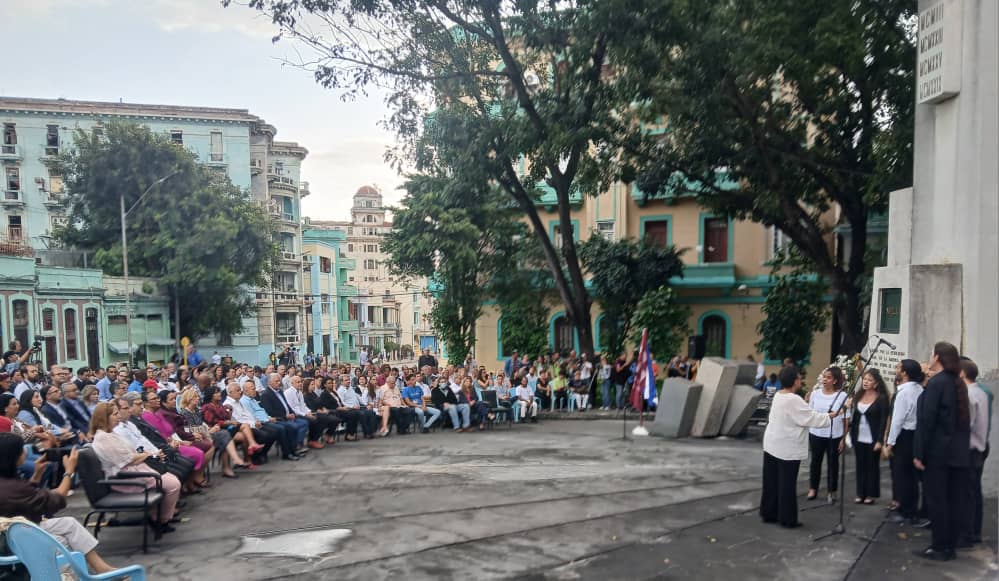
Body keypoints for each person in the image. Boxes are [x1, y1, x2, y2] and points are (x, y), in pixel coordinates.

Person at [0, 435, 121, 574]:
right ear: (11, 456)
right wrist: (69, 471)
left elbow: (27, 494)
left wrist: (37, 475)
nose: (25, 452)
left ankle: (101, 568)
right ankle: (69, 577)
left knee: (68, 523)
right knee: (61, 541)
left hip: (12, 532)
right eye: (21, 450)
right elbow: (57, 498)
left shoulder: (7, 483)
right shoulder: (15, 488)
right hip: (16, 538)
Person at [912, 341, 971, 561]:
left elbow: (928, 421)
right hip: (957, 453)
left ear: (937, 357)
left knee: (937, 501)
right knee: (953, 501)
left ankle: (939, 547)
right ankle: (950, 546)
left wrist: (919, 453)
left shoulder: (937, 383)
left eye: (931, 353)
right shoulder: (958, 382)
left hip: (938, 454)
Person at [760, 365, 838, 528]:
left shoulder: (779, 395)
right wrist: (831, 416)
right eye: (799, 377)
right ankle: (787, 519)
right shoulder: (793, 399)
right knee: (787, 484)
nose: (801, 380)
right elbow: (809, 418)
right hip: (786, 447)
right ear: (794, 381)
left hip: (772, 443)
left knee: (772, 481)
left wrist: (806, 402)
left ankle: (769, 512)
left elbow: (799, 413)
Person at [89, 402, 181, 533]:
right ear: (104, 417)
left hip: (134, 471)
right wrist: (147, 454)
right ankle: (161, 520)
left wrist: (145, 455)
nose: (118, 416)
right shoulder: (104, 438)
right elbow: (128, 460)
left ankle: (159, 516)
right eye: (115, 414)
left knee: (170, 478)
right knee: (173, 484)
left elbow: (131, 454)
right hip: (125, 478)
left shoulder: (110, 434)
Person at [885, 359, 925, 524]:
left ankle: (905, 510)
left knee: (902, 475)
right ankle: (911, 509)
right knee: (911, 476)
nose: (896, 369)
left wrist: (890, 443)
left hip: (905, 436)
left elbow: (897, 421)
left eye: (898, 367)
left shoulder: (904, 393)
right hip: (915, 435)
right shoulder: (919, 389)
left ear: (905, 373)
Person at [805, 366, 849, 503]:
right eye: (824, 376)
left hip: (834, 435)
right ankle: (813, 488)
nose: (825, 379)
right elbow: (810, 413)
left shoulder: (842, 396)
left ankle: (832, 490)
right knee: (815, 462)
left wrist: (844, 438)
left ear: (835, 380)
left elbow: (846, 418)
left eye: (829, 377)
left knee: (833, 463)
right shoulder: (815, 394)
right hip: (816, 433)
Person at [960, 358, 989, 546]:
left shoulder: (969, 395)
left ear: (962, 374)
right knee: (975, 494)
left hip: (970, 449)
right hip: (980, 447)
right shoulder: (981, 392)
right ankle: (974, 531)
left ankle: (967, 534)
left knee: (968, 495)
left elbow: (965, 425)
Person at [849, 369, 889, 504]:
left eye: (869, 380)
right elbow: (853, 416)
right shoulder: (858, 396)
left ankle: (871, 494)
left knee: (872, 466)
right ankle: (860, 493)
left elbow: (884, 420)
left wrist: (880, 440)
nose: (866, 382)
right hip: (858, 436)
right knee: (860, 465)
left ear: (876, 383)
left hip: (872, 438)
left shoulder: (881, 398)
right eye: (865, 379)